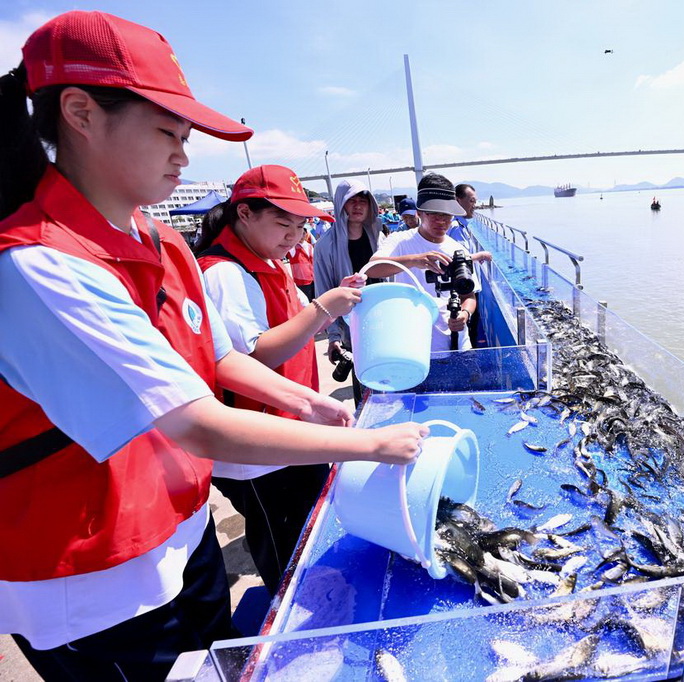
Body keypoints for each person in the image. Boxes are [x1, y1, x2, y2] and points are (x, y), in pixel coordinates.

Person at [0, 12, 425, 680]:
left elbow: (212, 358)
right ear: (80, 112)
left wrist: (301, 399)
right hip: (89, 582)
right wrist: (372, 444)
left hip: (183, 531)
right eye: (168, 132)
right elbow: (198, 423)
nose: (183, 155)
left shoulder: (162, 243)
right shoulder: (39, 267)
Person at [196, 164, 366, 593]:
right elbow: (253, 355)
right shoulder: (225, 273)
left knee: (308, 523)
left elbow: (289, 329)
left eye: (299, 225)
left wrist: (326, 304)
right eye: (282, 223)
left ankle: (315, 598)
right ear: (245, 214)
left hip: (290, 427)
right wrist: (323, 308)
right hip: (256, 447)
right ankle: (289, 624)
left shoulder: (271, 262)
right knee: (283, 543)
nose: (293, 236)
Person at [365, 173, 481, 353]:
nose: (441, 221)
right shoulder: (400, 241)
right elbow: (372, 268)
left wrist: (464, 314)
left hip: (457, 342)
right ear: (419, 213)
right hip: (413, 345)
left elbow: (469, 296)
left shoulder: (458, 250)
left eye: (447, 215)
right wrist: (414, 260)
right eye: (434, 214)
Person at [313, 179, 384, 402]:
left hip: (383, 319)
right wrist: (333, 336)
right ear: (340, 204)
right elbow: (323, 289)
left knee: (389, 377)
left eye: (362, 201)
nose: (357, 206)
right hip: (351, 328)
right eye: (350, 201)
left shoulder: (379, 238)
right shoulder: (325, 246)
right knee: (365, 387)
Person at [288, 228, 316, 300]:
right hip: (302, 281)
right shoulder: (292, 247)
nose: (302, 236)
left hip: (313, 279)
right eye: (300, 233)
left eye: (303, 233)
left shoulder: (309, 246)